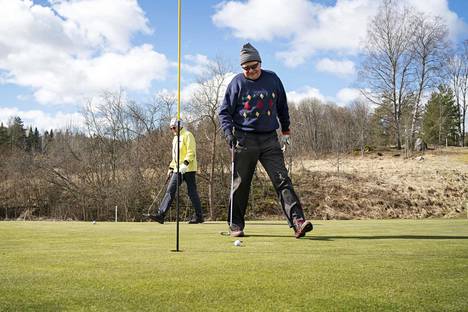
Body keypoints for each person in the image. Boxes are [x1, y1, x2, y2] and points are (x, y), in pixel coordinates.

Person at [218, 42, 313, 238]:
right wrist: (229, 133)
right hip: (244, 139)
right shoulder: (236, 83)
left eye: (254, 66)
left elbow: (282, 107)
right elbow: (224, 112)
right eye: (246, 68)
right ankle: (236, 225)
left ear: (260, 63)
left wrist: (286, 132)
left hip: (270, 139)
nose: (251, 71)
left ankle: (298, 222)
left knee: (282, 180)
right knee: (240, 184)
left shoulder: (273, 79)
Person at [145, 118, 204, 224]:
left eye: (174, 127)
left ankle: (199, 216)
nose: (172, 130)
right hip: (177, 169)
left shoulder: (188, 135)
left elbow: (191, 152)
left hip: (188, 169)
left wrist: (185, 163)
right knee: (170, 190)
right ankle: (161, 215)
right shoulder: (175, 139)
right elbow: (175, 157)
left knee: (192, 192)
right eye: (171, 128)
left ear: (180, 126)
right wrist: (171, 168)